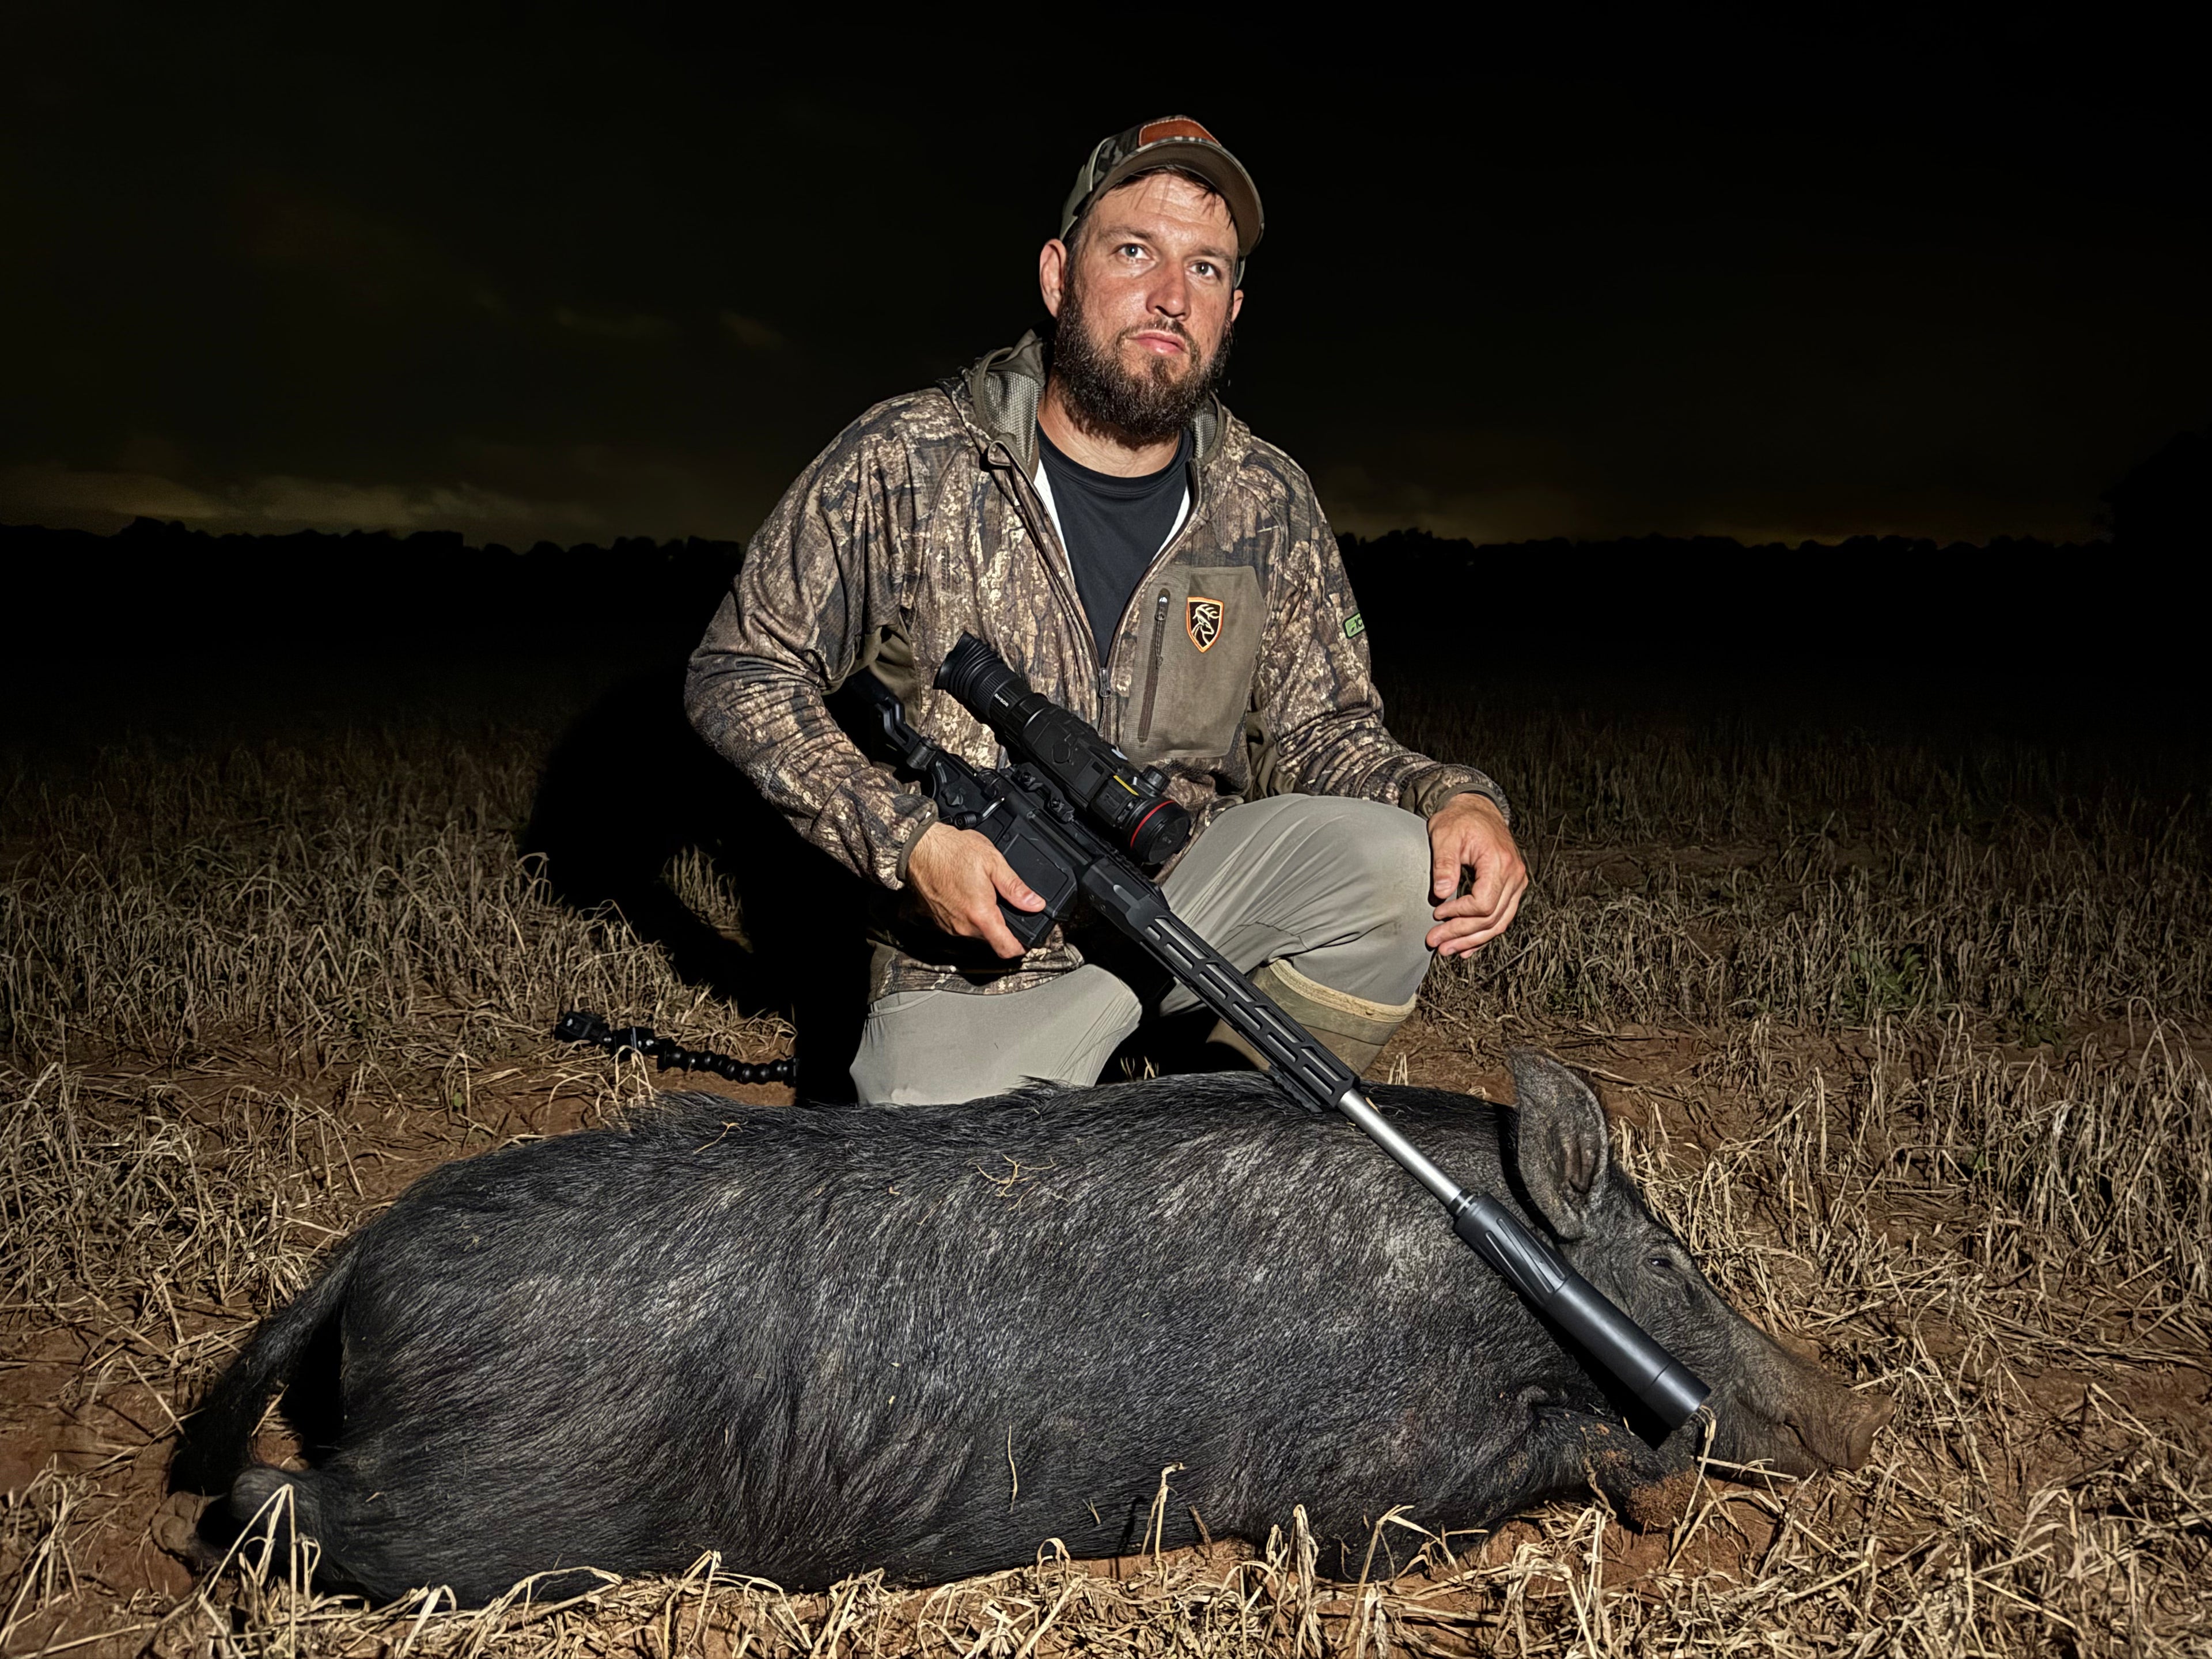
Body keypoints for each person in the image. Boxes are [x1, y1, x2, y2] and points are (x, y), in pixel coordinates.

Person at [687, 116, 1528, 1104]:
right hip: (979, 959)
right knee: (943, 1199)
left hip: (1186, 908)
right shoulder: (910, 459)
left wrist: (1456, 798)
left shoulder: (1266, 496)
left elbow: (1325, 736)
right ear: (1057, 276)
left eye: (1206, 270)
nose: (1171, 296)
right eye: (1135, 251)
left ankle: (1222, 1131)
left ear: (1235, 308)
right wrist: (910, 840)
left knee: (1391, 865)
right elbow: (739, 669)